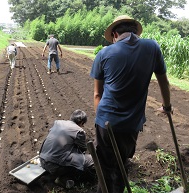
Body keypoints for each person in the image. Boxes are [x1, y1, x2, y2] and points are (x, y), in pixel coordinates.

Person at [90, 15, 172, 193]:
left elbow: (98, 94)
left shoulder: (104, 54)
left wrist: (99, 121)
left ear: (115, 34)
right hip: (132, 124)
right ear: (135, 31)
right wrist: (167, 107)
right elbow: (164, 82)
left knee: (105, 167)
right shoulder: (152, 47)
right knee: (122, 163)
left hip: (106, 120)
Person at [39, 109, 95, 189]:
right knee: (90, 160)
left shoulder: (58, 123)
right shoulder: (79, 131)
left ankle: (61, 177)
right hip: (54, 166)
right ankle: (64, 177)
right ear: (82, 122)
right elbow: (82, 149)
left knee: (66, 153)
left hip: (42, 160)